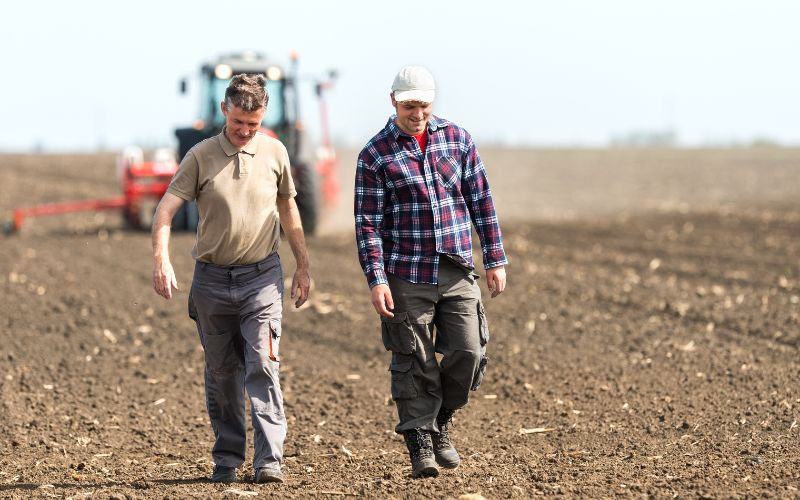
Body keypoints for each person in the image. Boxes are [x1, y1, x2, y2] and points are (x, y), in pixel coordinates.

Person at [151, 73, 310, 484]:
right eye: (238, 122)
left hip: (262, 279)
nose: (244, 132)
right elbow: (166, 211)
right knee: (222, 373)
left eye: (253, 125)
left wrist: (303, 266)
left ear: (263, 117)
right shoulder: (200, 155)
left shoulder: (275, 152)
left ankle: (269, 460)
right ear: (225, 109)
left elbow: (289, 212)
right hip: (212, 281)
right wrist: (162, 260)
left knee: (263, 364)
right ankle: (227, 457)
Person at [354, 65, 508, 478]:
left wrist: (495, 258)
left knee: (468, 351)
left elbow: (482, 201)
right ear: (393, 102)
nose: (416, 112)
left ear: (432, 101)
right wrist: (377, 279)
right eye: (408, 105)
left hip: (456, 267)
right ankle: (420, 440)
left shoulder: (457, 140)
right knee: (414, 358)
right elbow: (368, 225)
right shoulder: (375, 154)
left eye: (422, 104)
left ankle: (441, 419)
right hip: (406, 271)